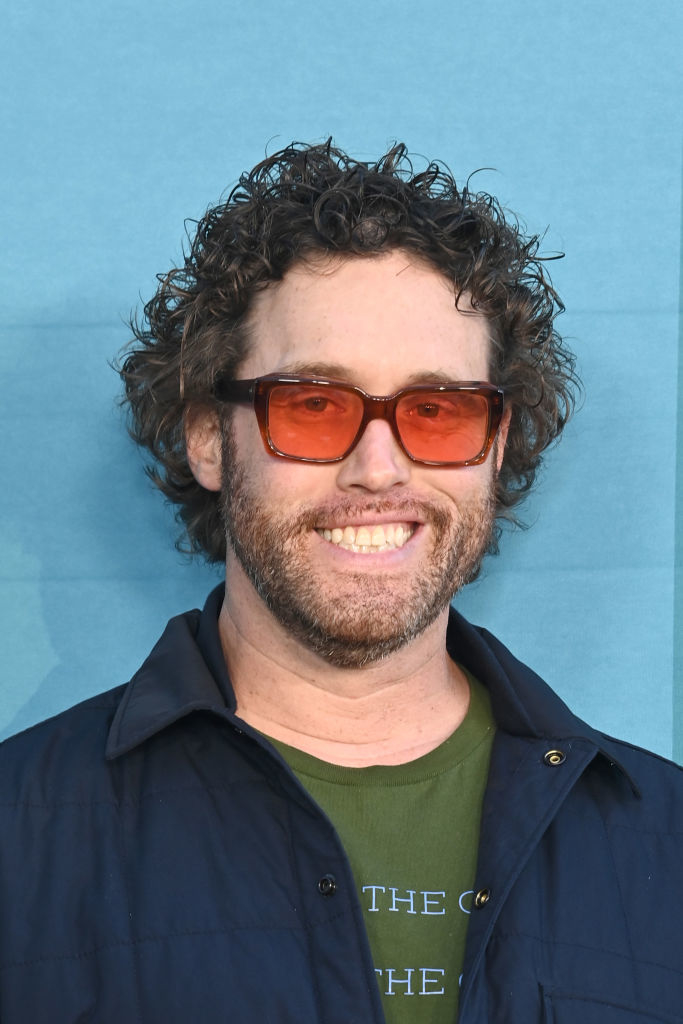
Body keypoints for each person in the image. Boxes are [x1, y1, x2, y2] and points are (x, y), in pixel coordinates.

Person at [0, 141, 680, 1024]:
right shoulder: (21, 836)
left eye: (437, 411)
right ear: (209, 436)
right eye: (313, 405)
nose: (377, 469)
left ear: (497, 446)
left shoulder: (664, 843)